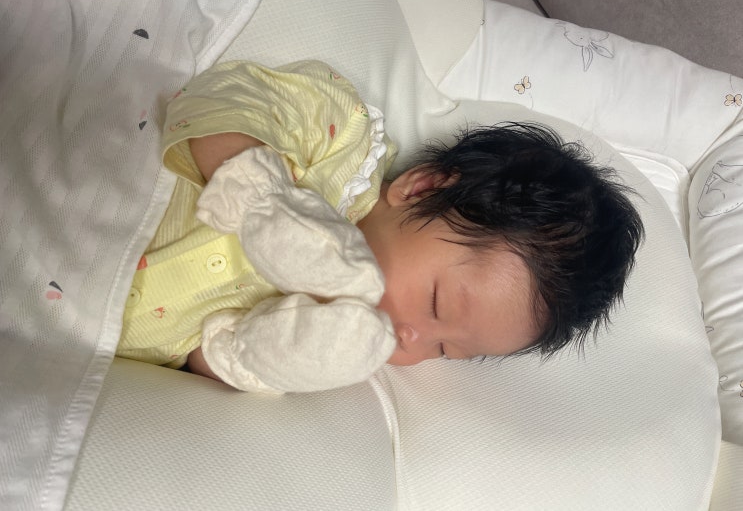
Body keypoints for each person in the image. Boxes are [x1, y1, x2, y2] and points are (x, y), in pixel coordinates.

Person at [117, 60, 644, 393]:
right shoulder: (340, 140)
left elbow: (197, 359)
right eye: (436, 303)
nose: (410, 340)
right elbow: (217, 102)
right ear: (421, 188)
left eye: (443, 351)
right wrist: (267, 202)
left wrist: (260, 355)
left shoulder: (325, 336)